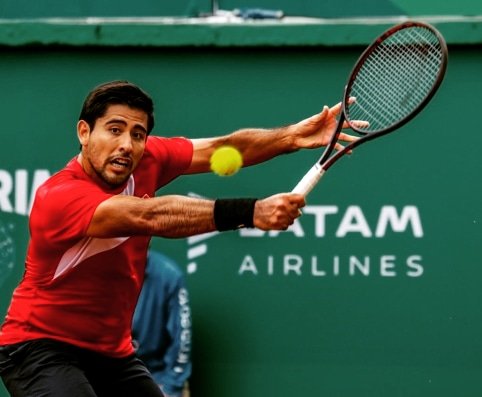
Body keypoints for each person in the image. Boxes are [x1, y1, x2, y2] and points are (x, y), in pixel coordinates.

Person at [0, 80, 358, 396]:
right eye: (114, 129)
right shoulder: (59, 197)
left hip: (111, 353)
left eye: (137, 134)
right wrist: (251, 212)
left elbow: (223, 148)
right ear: (84, 132)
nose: (127, 144)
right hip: (39, 347)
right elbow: (149, 215)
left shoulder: (147, 157)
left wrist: (291, 137)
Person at [132, 250, 192, 397]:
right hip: (108, 373)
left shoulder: (168, 274)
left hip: (156, 375)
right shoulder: (100, 271)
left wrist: (170, 386)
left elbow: (181, 338)